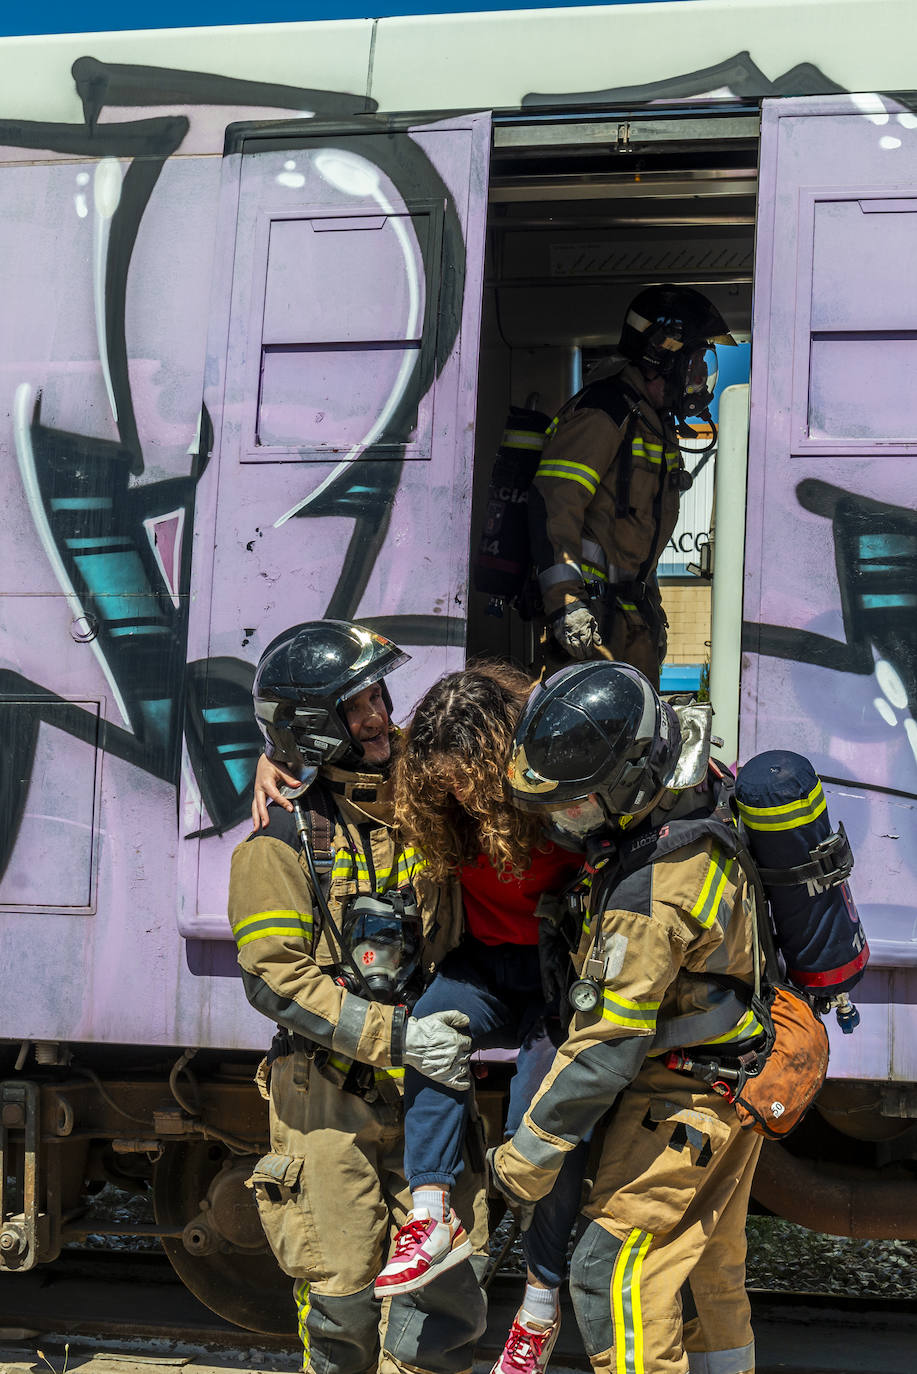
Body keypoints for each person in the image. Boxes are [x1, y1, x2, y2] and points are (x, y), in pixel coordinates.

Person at [489, 661, 765, 1374]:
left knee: (608, 1276)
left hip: (679, 1103)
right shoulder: (701, 788)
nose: (564, 818)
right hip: (735, 1084)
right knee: (707, 1274)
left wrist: (525, 1159)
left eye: (577, 803)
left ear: (628, 782)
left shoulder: (646, 897)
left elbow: (606, 1048)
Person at [228, 619, 488, 1374]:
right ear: (310, 727)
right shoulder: (278, 844)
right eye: (355, 706)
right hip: (325, 1101)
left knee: (443, 1302)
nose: (378, 717)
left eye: (377, 695)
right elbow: (274, 977)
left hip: (431, 1098)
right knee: (339, 1309)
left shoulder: (432, 804)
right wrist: (395, 1038)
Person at [373, 664, 587, 1374]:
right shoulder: (432, 787)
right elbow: (349, 748)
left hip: (561, 980)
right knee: (430, 1029)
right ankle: (431, 1212)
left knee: (539, 1116)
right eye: (445, 779)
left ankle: (539, 1302)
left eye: (471, 776)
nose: (459, 792)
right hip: (487, 966)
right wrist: (272, 761)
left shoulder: (565, 782)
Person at [530, 285, 735, 686]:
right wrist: (567, 606)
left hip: (630, 620)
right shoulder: (604, 413)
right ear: (661, 357)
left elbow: (638, 541)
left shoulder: (652, 425)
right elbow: (554, 506)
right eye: (694, 365)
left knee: (640, 740)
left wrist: (652, 611)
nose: (699, 380)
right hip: (590, 625)